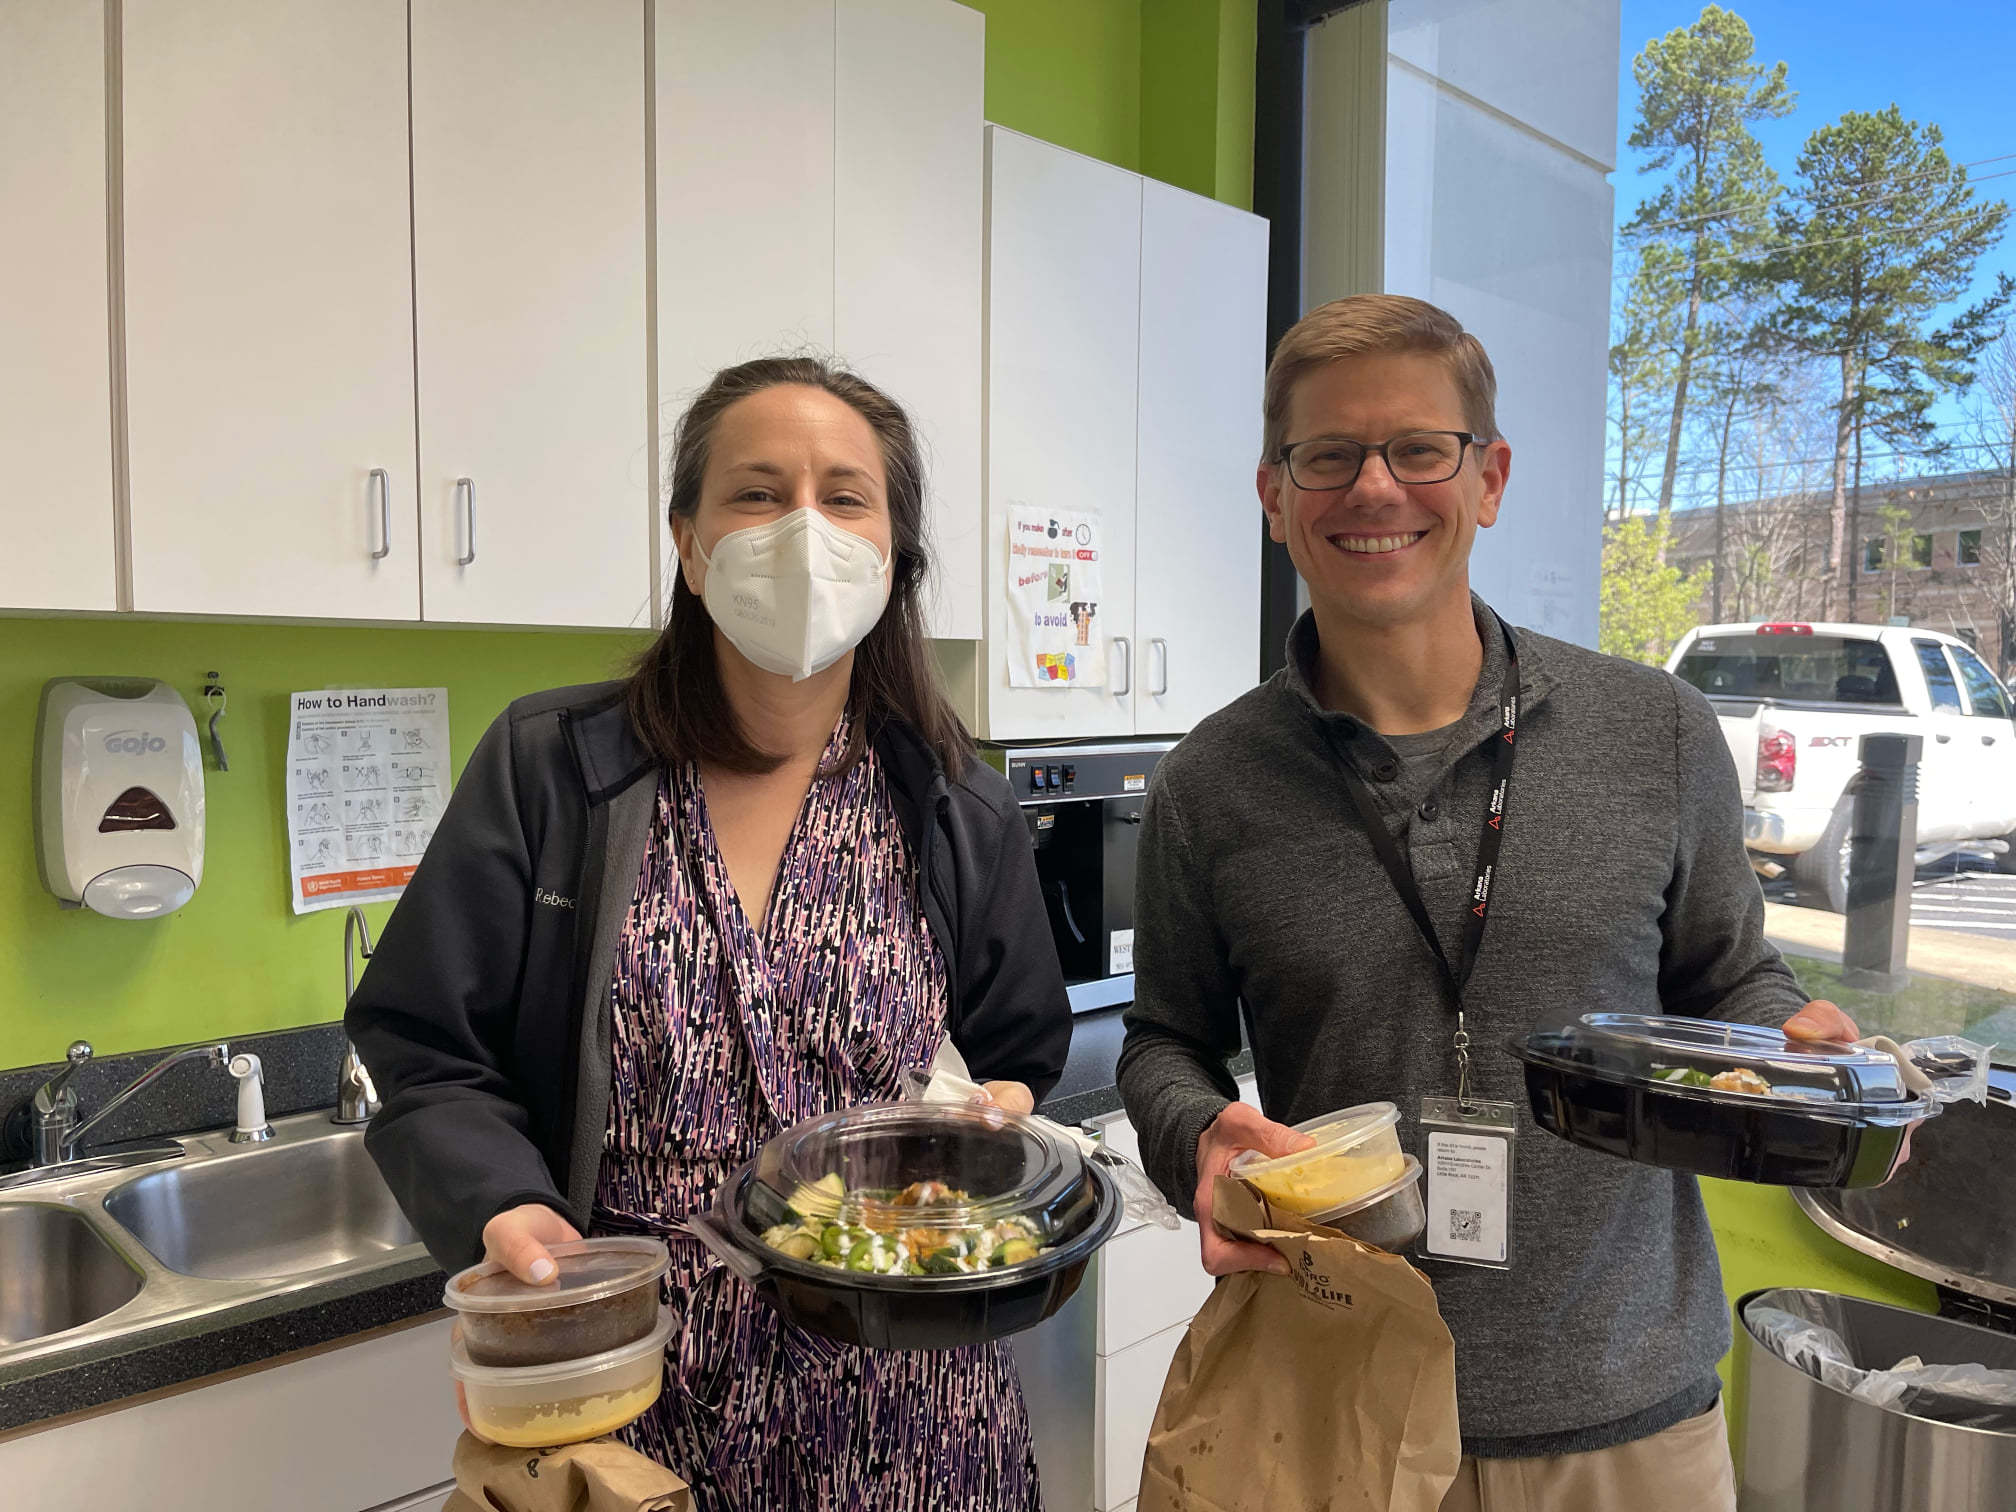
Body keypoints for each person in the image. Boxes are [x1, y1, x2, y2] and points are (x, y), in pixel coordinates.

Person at [1116, 295, 1860, 1511]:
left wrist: (1789, 1039)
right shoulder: (1212, 781)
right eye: (1328, 456)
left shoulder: (1657, 733)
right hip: (1336, 1399)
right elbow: (1166, 1040)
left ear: (1490, 475)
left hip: (1625, 1415)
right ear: (1274, 495)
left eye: (1419, 448)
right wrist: (1192, 1134)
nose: (1374, 488)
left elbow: (1729, 976)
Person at [348, 356, 1071, 1511]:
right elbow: (424, 1044)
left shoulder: (952, 804)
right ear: (688, 543)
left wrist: (995, 1121)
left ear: (892, 556)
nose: (800, 530)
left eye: (843, 497)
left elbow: (1019, 1059)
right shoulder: (553, 771)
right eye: (754, 492)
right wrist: (501, 1201)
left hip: (917, 1414)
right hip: (633, 1404)